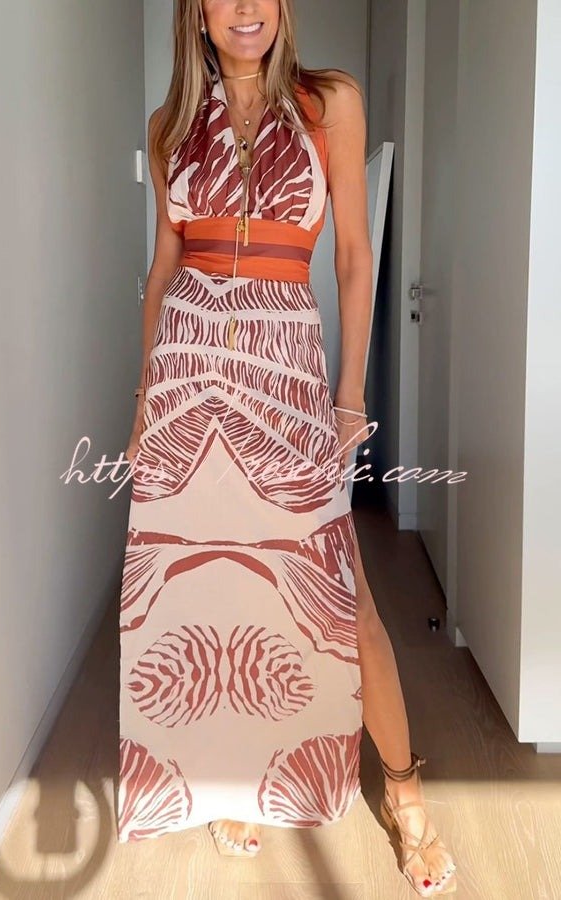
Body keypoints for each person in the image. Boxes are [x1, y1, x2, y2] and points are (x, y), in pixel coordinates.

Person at [117, 1, 457, 896]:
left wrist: (349, 395)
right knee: (222, 593)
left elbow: (352, 256)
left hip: (285, 375)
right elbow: (163, 270)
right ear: (196, 14)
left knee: (341, 601)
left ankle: (404, 790)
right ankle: (244, 778)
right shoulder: (169, 125)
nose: (245, 8)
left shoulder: (328, 103)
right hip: (189, 374)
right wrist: (147, 400)